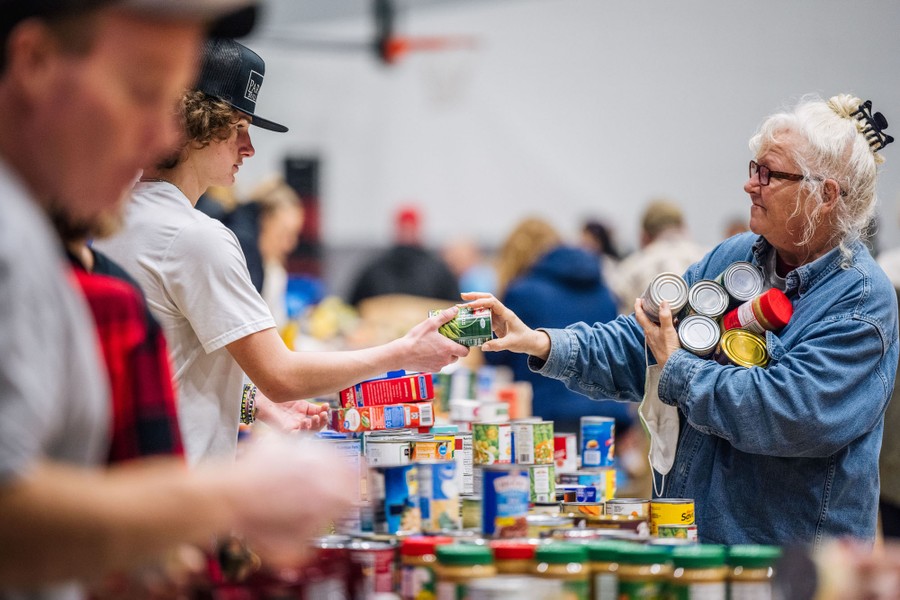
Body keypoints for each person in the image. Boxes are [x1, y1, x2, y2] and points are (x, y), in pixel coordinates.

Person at [0, 1, 357, 595]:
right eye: (142, 93)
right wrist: (230, 497)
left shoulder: (36, 238)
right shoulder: (14, 238)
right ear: (35, 62)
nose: (164, 135)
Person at [462, 94, 898, 547]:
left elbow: (788, 413)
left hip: (785, 566)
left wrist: (679, 369)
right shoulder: (734, 256)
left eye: (769, 174)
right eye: (754, 169)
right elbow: (642, 342)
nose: (751, 185)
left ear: (824, 195)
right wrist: (538, 342)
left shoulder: (860, 301)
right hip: (692, 543)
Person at [96, 39, 466, 464]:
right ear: (198, 125)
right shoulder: (195, 236)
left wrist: (255, 404)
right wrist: (403, 352)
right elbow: (282, 376)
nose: (249, 147)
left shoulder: (117, 216)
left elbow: (167, 364)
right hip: (174, 494)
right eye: (238, 128)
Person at [484, 218, 630, 434]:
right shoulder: (604, 290)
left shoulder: (522, 292)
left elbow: (495, 354)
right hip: (609, 411)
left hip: (551, 415)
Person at [348, 205, 461, 306]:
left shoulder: (439, 272)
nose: (407, 233)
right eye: (404, 228)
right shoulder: (374, 270)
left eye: (410, 228)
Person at [612, 199, 707, 313]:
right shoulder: (708, 257)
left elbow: (623, 319)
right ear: (683, 228)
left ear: (644, 236)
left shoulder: (630, 268)